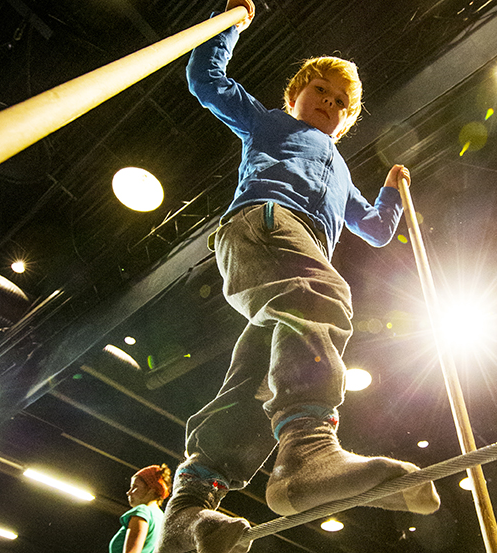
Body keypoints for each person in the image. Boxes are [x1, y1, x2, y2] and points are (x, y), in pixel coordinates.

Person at [157, 2, 440, 552]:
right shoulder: (272, 122)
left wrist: (390, 191)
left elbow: (377, 231)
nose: (329, 105)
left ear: (346, 120)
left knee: (255, 379)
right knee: (321, 290)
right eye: (321, 93)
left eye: (341, 104)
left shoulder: (341, 170)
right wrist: (229, 26)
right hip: (264, 223)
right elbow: (206, 81)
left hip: (291, 256)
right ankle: (306, 450)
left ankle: (188, 515)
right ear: (295, 96)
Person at [110, 464, 172, 553]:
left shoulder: (142, 511)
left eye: (135, 487)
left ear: (152, 490)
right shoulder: (162, 519)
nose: (129, 492)